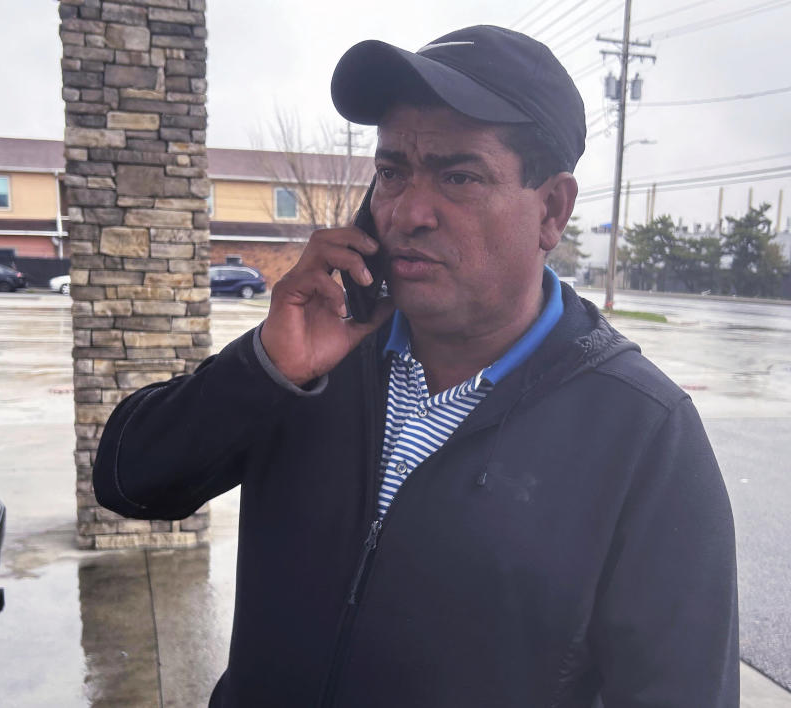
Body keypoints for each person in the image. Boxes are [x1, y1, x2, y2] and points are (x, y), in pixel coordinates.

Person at [93, 25, 739, 707]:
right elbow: (130, 482)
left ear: (551, 210)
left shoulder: (641, 432)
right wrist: (264, 368)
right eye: (393, 171)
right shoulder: (314, 362)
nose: (407, 211)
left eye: (459, 176)